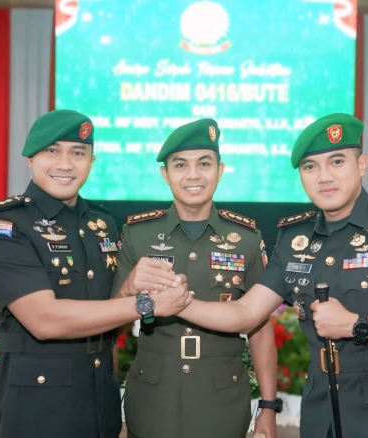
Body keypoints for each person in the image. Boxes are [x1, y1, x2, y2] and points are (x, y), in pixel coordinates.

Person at [178, 113, 368, 438]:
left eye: (337, 161)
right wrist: (178, 303)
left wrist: (356, 325)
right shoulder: (294, 237)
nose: (324, 177)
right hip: (320, 409)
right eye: (310, 167)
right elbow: (246, 313)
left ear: (362, 165)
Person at [0, 109, 192, 438]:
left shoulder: (101, 223)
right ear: (30, 159)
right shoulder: (6, 225)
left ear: (91, 162)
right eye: (52, 151)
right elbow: (44, 320)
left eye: (77, 153)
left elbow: (108, 315)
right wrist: (146, 304)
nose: (65, 164)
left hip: (98, 399)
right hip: (34, 406)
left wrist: (131, 288)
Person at [112, 118, 279, 438]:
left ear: (220, 170)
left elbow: (259, 328)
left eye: (204, 163)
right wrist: (127, 290)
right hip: (152, 400)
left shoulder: (246, 238)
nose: (193, 175)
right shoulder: (137, 234)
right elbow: (111, 323)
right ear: (165, 174)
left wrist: (269, 408)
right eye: (180, 165)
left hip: (222, 400)